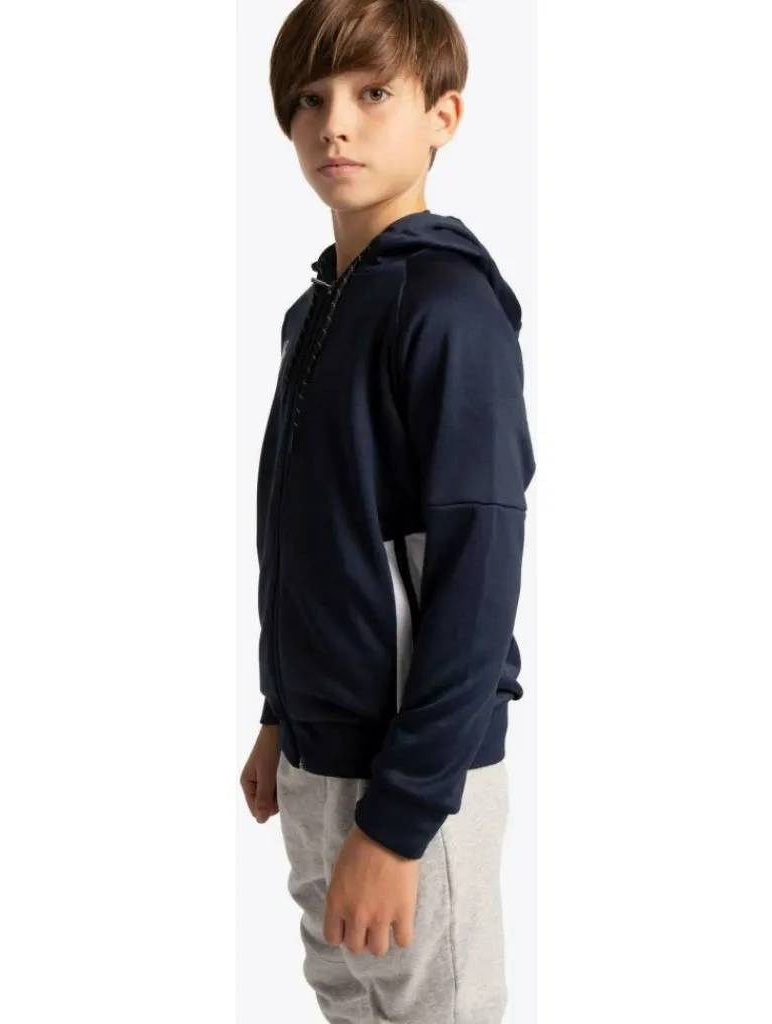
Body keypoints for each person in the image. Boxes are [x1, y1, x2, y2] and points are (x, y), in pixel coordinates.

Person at [239, 1, 535, 1020]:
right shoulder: (315, 312)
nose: (334, 124)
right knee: (349, 1002)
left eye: (372, 94)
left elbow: (476, 573)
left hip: (411, 774)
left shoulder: (447, 307)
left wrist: (402, 818)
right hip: (319, 753)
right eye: (308, 99)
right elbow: (309, 537)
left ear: (443, 115)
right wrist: (279, 712)